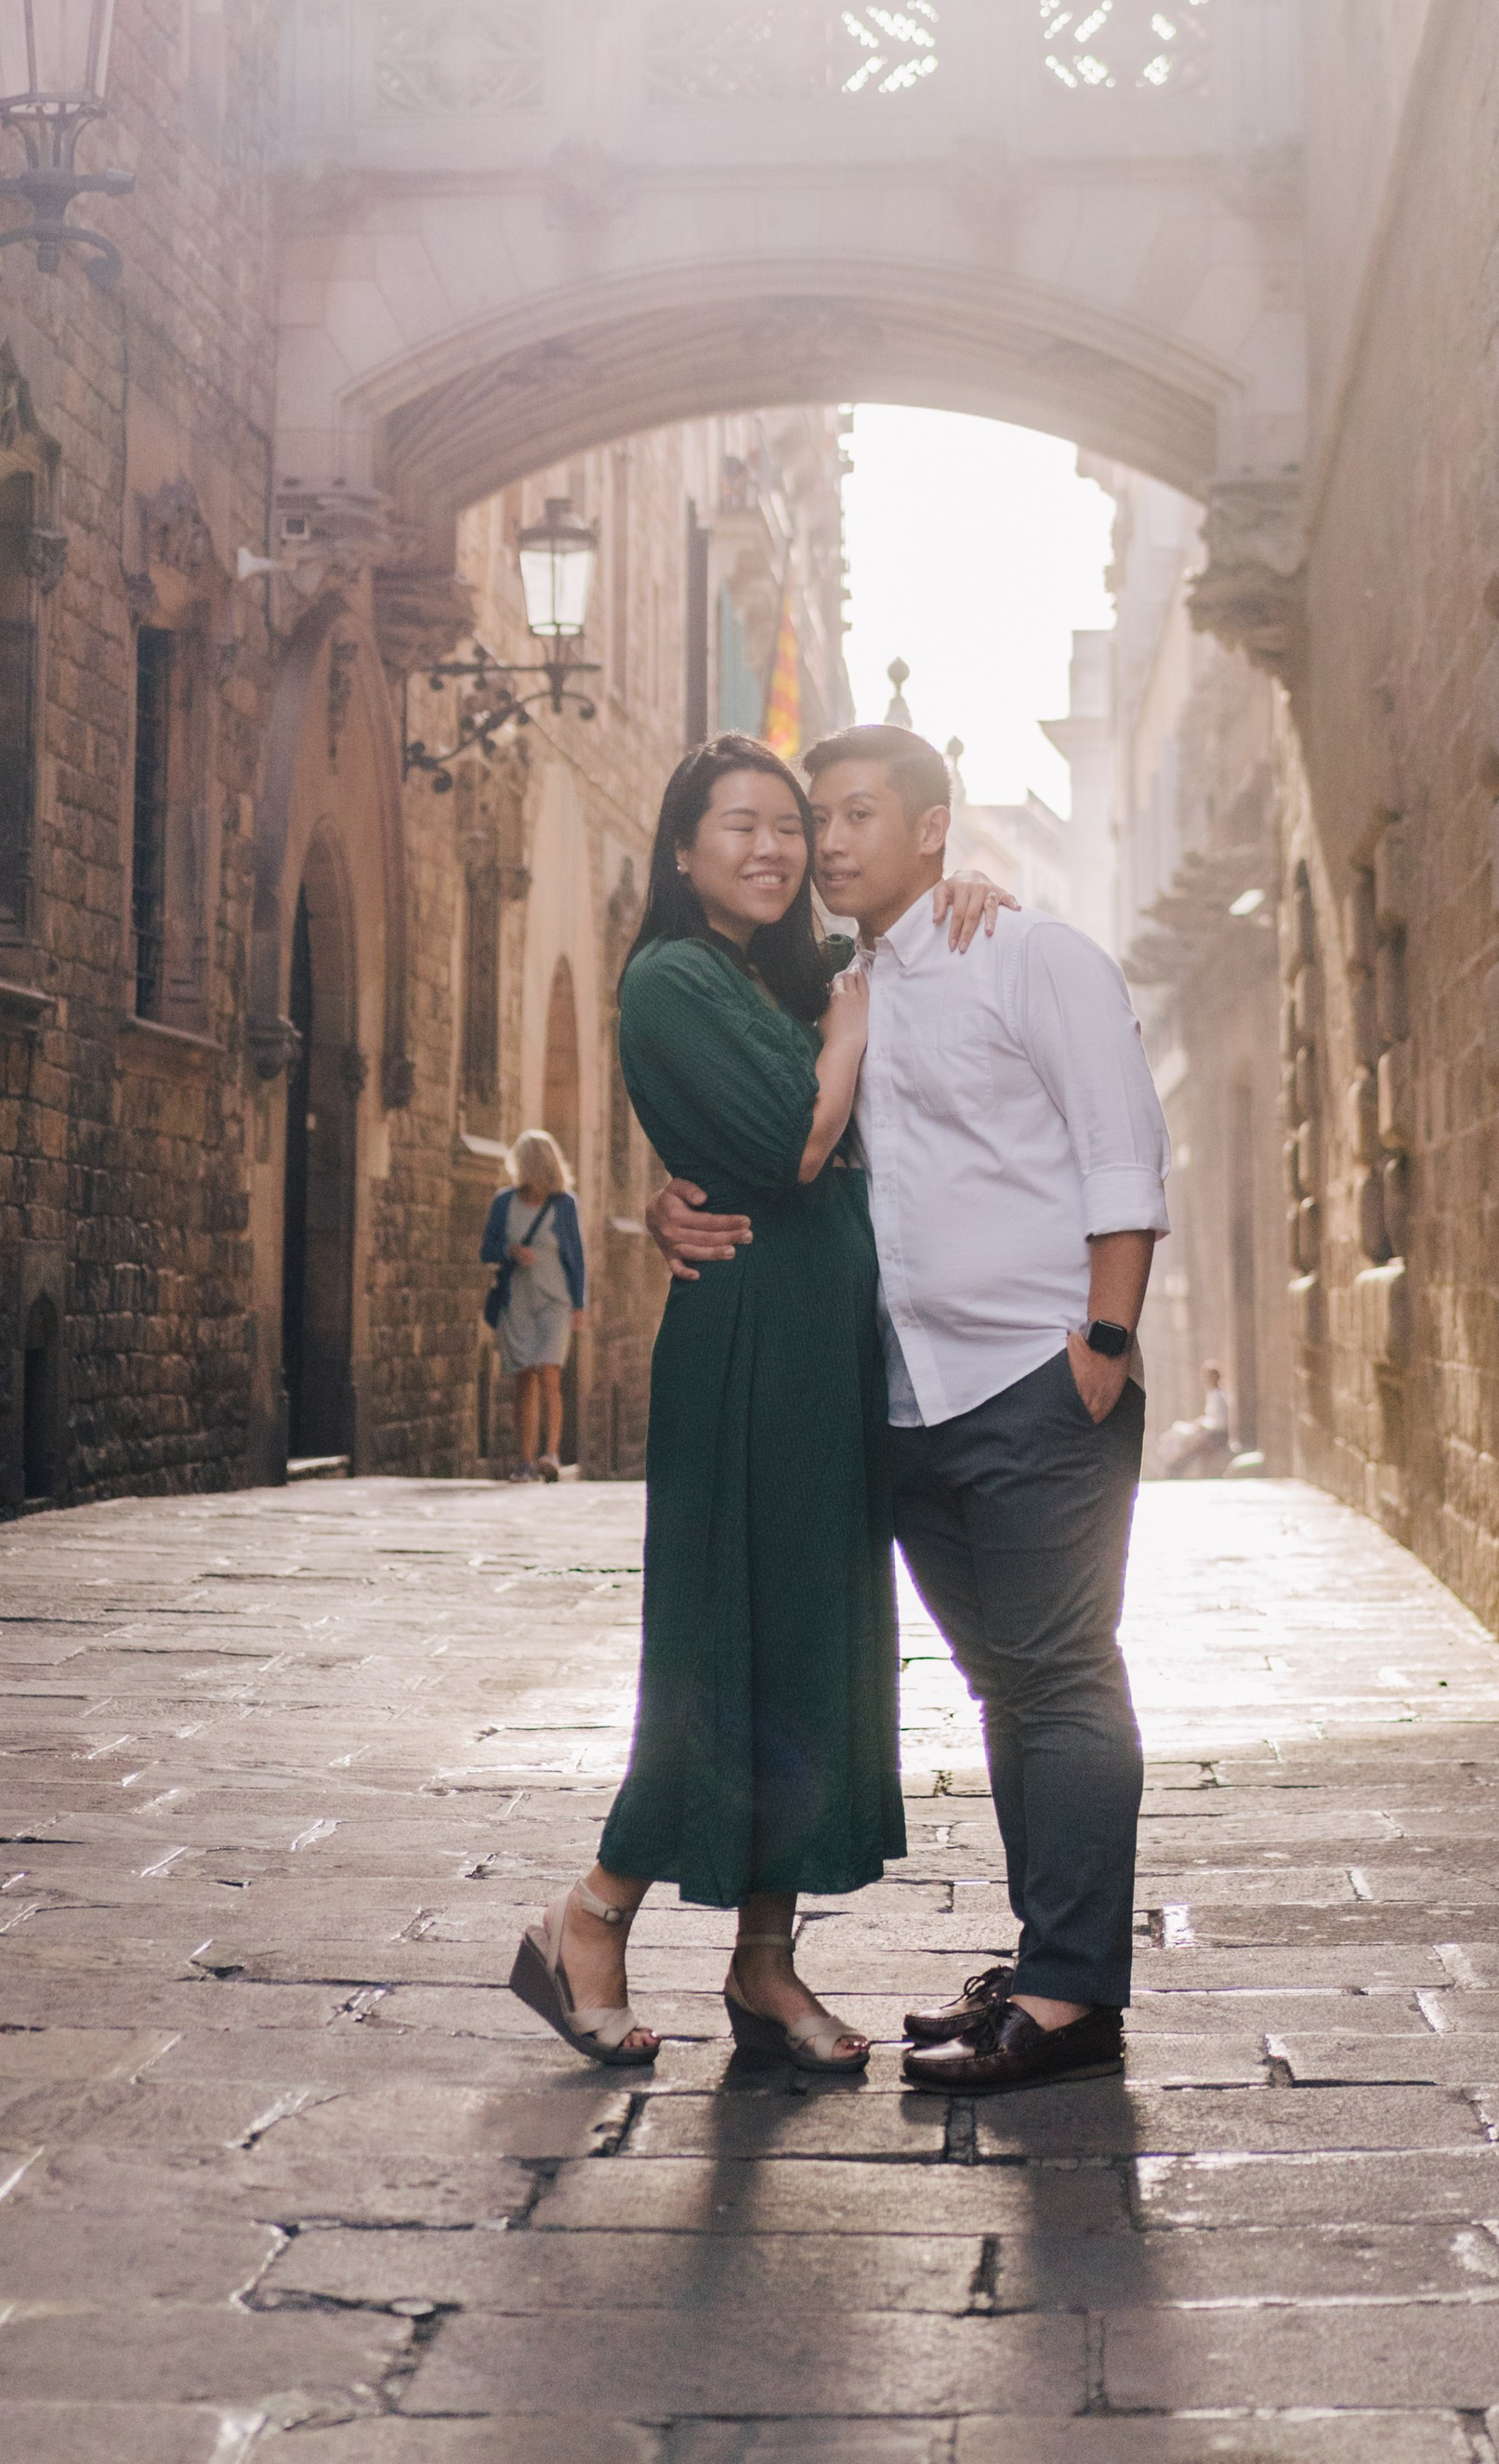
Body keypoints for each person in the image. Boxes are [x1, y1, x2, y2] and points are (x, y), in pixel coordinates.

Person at [651, 720, 1169, 2097]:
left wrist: (1104, 1342)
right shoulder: (837, 990)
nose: (824, 843)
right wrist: (666, 1206)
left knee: (1063, 1677)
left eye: (857, 814)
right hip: (901, 1399)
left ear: (933, 829)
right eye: (813, 817)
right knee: (1007, 1687)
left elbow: (1122, 1149)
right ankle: (1052, 1964)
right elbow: (779, 1141)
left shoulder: (1032, 954)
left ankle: (1069, 1997)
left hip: (1034, 1382)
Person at [507, 732, 1007, 2075]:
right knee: (722, 1641)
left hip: (828, 1352)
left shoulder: (786, 975)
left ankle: (765, 1964)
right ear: (682, 851)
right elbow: (795, 1141)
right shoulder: (674, 976)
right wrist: (846, 1030)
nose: (777, 847)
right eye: (741, 825)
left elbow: (901, 1021)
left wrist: (960, 895)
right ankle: (590, 1917)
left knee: (809, 1651)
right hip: (747, 1349)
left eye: (791, 825)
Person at [480, 1131, 586, 1481]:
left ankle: (551, 1454)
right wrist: (509, 1250)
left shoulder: (565, 1205)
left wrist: (579, 1304)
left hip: (555, 1301)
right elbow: (487, 1249)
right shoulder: (504, 1202)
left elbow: (576, 1257)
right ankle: (525, 1460)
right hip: (518, 1301)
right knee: (525, 1378)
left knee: (550, 1373)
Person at [1156, 1362, 1233, 1481]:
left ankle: (1176, 1469)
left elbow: (1218, 1422)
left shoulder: (1218, 1396)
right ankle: (1173, 1467)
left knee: (1187, 1442)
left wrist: (1201, 1425)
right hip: (1212, 1431)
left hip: (1216, 1434)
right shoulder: (1213, 1394)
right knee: (1180, 1434)